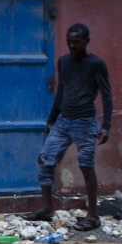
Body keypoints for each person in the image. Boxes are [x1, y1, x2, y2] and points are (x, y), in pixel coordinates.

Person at [24, 23, 113, 231]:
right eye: (69, 42)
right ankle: (47, 208)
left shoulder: (96, 64)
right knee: (44, 160)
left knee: (86, 167)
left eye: (76, 42)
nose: (72, 46)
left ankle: (93, 216)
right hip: (63, 121)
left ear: (87, 42)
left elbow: (106, 95)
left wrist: (107, 125)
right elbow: (61, 92)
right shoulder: (64, 62)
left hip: (85, 122)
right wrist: (51, 120)